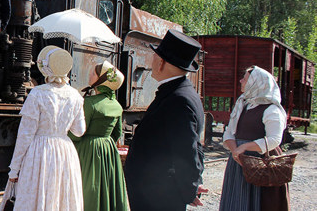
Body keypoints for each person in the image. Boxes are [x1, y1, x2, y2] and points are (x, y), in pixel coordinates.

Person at [124, 29, 206, 210]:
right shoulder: (180, 93)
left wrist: (189, 190)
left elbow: (187, 151)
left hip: (159, 197)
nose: (151, 61)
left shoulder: (179, 99)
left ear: (161, 62)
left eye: (154, 56)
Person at [2, 46, 86, 210]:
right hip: (65, 151)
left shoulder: (38, 94)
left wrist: (14, 170)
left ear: (46, 68)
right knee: (61, 197)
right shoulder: (76, 96)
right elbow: (79, 131)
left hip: (41, 152)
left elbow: (25, 135)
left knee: (36, 195)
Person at [219, 65, 289, 211]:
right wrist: (235, 151)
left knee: (260, 203)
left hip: (261, 162)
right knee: (236, 199)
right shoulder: (243, 104)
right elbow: (229, 133)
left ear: (256, 83)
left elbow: (274, 139)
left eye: (244, 79)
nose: (240, 81)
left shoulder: (272, 110)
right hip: (239, 160)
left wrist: (244, 147)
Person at [71, 60, 128, 211]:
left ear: (101, 80)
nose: (90, 75)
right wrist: (105, 144)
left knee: (88, 187)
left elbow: (78, 133)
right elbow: (117, 134)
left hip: (87, 149)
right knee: (105, 187)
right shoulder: (116, 105)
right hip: (108, 150)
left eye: (93, 73)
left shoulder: (89, 103)